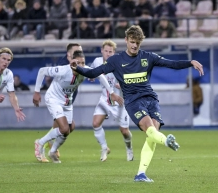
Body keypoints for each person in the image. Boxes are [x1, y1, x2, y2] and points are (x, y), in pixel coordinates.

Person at [70, 25, 204, 182]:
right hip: (133, 101)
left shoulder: (148, 57)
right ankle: (166, 141)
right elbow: (93, 72)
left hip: (151, 100)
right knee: (150, 129)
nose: (134, 46)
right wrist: (77, 68)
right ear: (126, 40)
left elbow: (171, 64)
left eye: (137, 43)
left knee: (151, 135)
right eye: (132, 42)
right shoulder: (116, 61)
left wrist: (190, 62)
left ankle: (141, 174)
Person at [33, 51, 123, 163]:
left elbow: (100, 76)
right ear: (71, 62)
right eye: (77, 62)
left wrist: (112, 92)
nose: (81, 65)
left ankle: (53, 151)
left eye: (83, 62)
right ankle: (40, 143)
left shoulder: (85, 70)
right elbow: (42, 71)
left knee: (70, 128)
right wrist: (36, 92)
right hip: (54, 99)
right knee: (64, 128)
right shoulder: (62, 70)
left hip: (67, 102)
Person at [91, 40, 134, 161]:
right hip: (105, 99)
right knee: (95, 123)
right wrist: (91, 77)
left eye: (110, 52)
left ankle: (129, 149)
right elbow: (93, 73)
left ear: (114, 53)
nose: (108, 54)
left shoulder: (119, 64)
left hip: (119, 102)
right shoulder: (97, 62)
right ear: (102, 51)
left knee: (124, 131)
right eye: (106, 51)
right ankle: (104, 148)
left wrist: (122, 84)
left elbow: (127, 80)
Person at [41, 43, 82, 158]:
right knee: (63, 127)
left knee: (69, 127)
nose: (79, 53)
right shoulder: (65, 65)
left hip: (70, 96)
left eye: (80, 51)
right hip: (60, 97)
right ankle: (46, 144)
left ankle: (51, 146)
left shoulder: (78, 61)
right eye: (77, 51)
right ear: (69, 54)